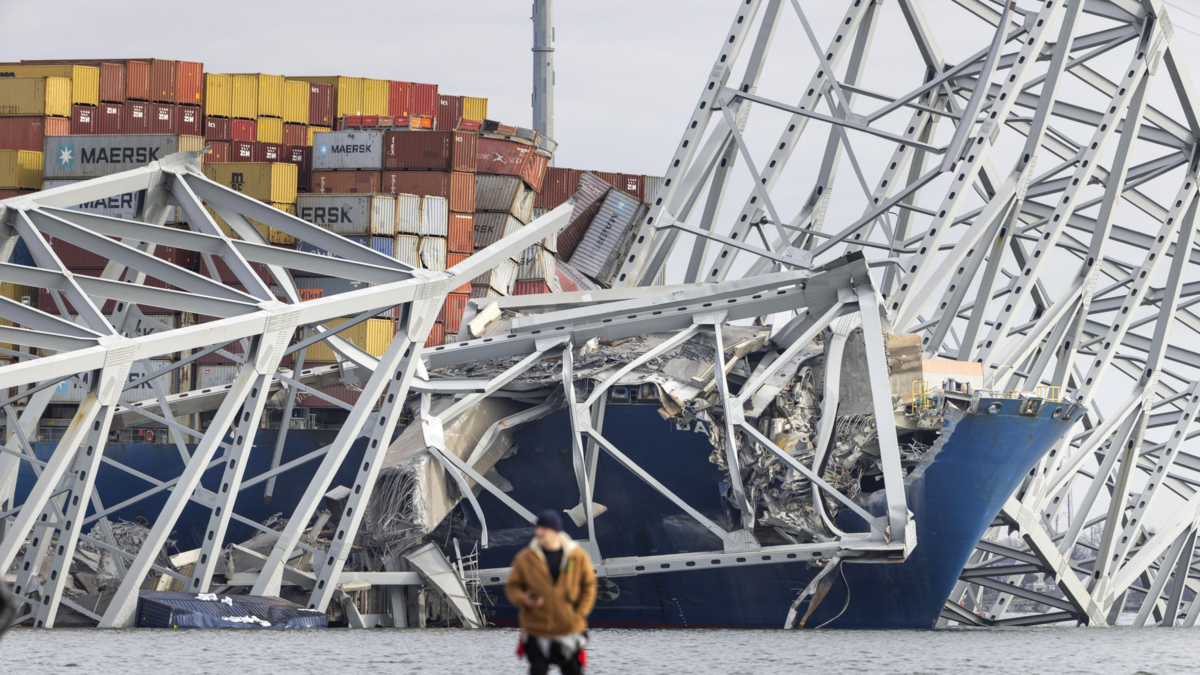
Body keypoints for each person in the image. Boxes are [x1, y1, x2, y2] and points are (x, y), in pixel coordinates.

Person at [505, 510, 597, 675]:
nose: (538, 532)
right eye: (538, 528)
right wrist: (523, 598)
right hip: (537, 628)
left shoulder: (577, 557)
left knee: (573, 670)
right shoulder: (525, 558)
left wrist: (579, 613)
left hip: (569, 628)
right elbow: (512, 586)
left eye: (544, 529)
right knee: (538, 669)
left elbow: (588, 587)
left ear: (555, 532)